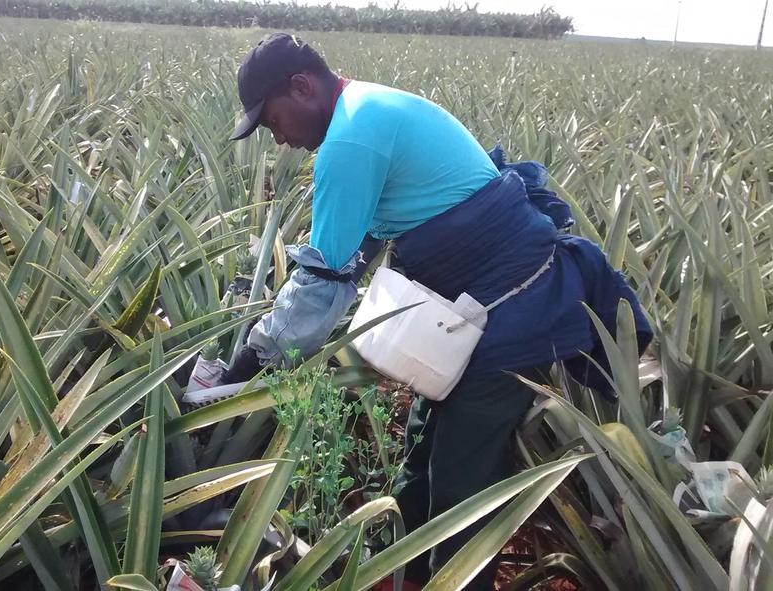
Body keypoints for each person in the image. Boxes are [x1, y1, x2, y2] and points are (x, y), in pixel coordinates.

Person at [219, 32, 651, 589]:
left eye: (272, 120)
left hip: (509, 311)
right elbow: (358, 249)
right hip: (469, 306)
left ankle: (455, 579)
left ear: (301, 87)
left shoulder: (350, 140)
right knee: (420, 448)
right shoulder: (367, 108)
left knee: (459, 483)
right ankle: (397, 570)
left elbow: (322, 279)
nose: (277, 139)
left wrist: (252, 360)